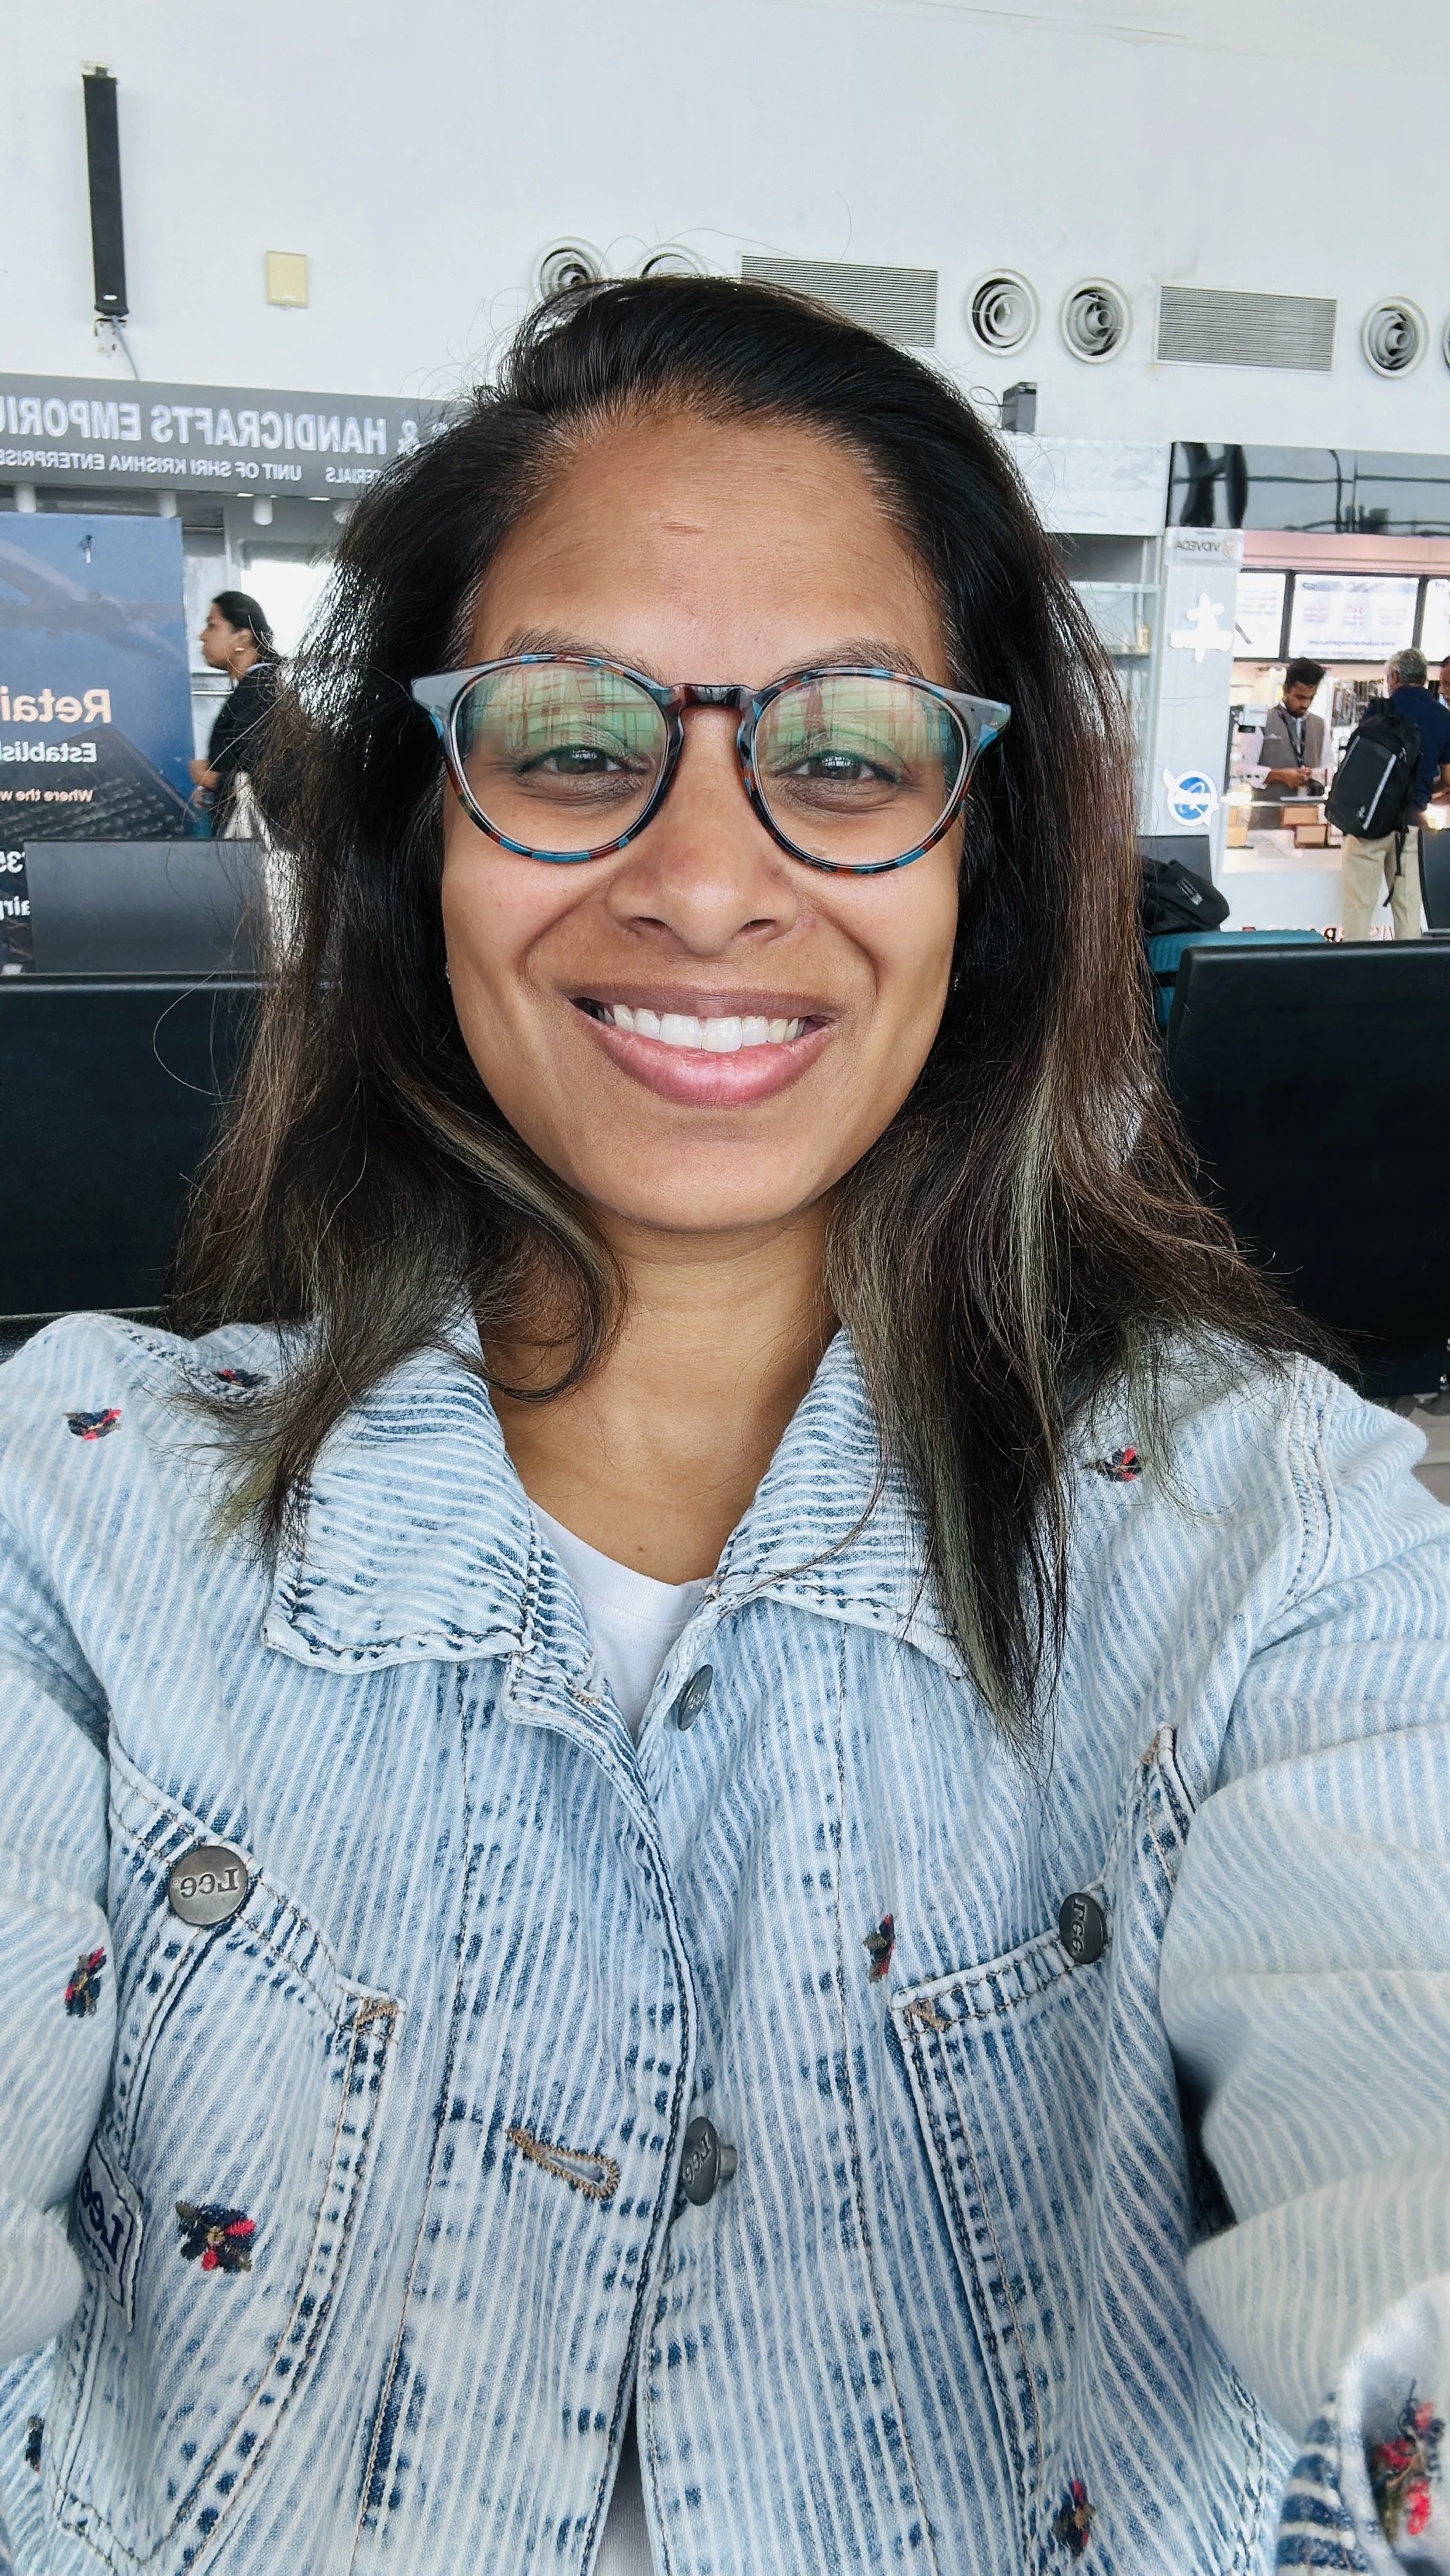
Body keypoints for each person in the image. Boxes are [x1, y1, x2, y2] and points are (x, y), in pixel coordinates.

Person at [1, 277, 1447, 2576]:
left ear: (981, 860)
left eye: (849, 753)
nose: (702, 872)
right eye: (575, 744)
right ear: (419, 838)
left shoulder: (1277, 1539)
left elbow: (1404, 2071)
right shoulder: (75, 1517)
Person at [1340, 643, 1450, 941]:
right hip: (1413, 822)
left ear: (1395, 676)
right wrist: (1423, 792)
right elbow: (1448, 780)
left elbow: (1359, 763)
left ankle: (1354, 974)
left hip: (1370, 822)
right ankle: (1410, 976)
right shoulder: (1443, 717)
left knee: (1359, 906)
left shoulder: (1380, 710)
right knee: (1408, 906)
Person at [187, 588, 281, 834]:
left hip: (258, 855)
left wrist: (208, 778)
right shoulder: (262, 685)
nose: (203, 636)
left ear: (242, 638)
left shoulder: (260, 692)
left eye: (212, 626)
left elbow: (272, 779)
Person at [1257, 655, 1327, 790]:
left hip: (1309, 807)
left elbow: (1329, 769)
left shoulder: (1320, 725)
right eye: (1300, 697)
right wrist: (1278, 775)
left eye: (1311, 698)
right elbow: (1243, 770)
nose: (1305, 704)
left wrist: (1313, 774)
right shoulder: (1262, 721)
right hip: (1269, 807)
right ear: (1286, 690)